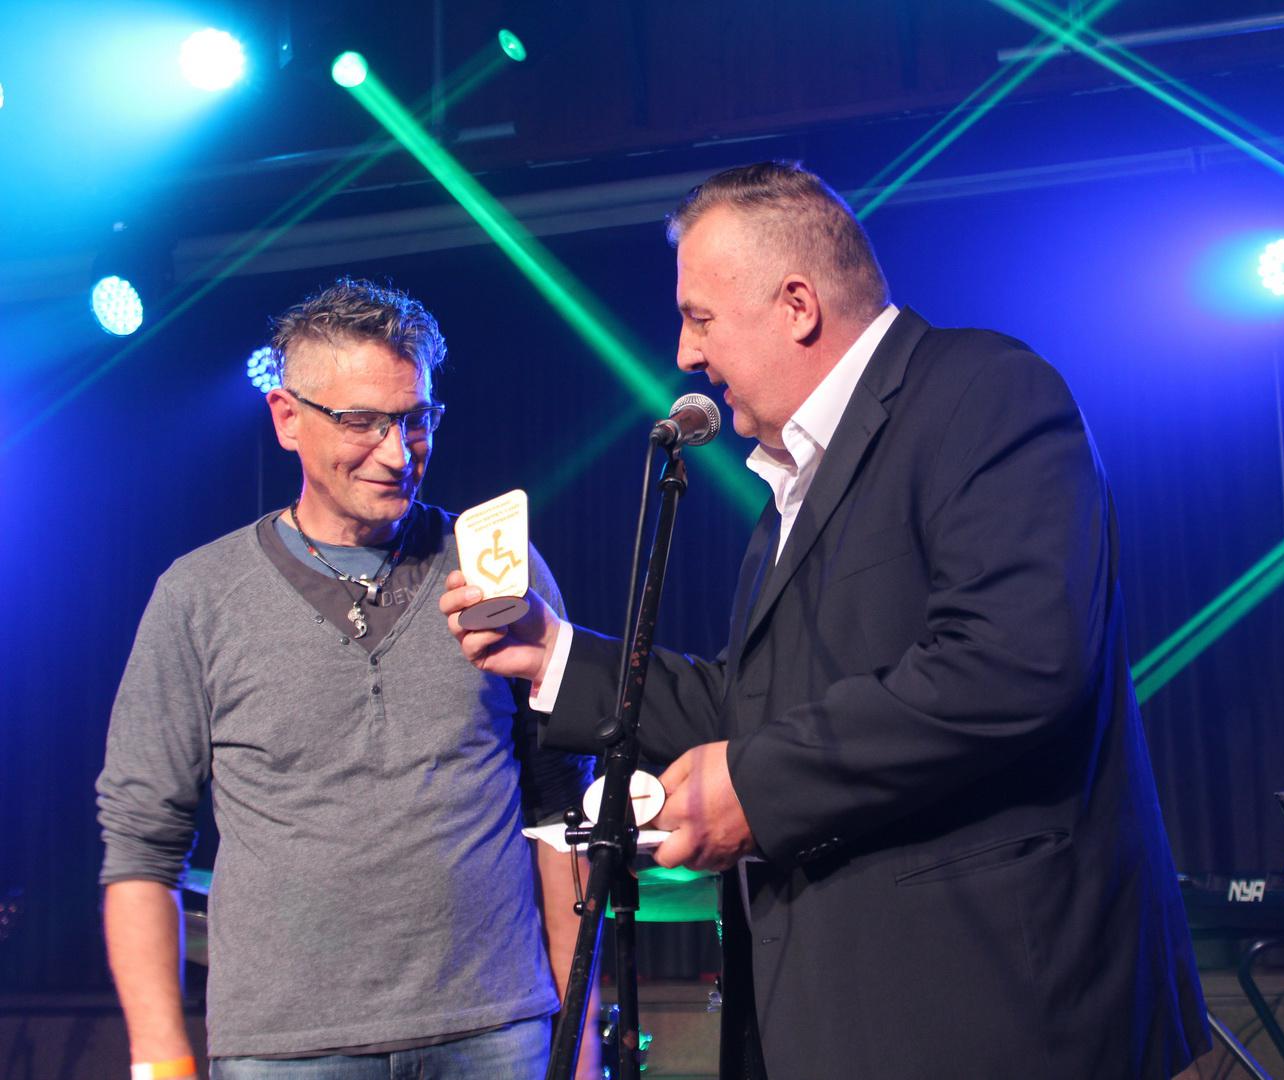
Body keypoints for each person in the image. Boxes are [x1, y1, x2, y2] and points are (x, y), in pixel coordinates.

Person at [442, 163, 1209, 1079]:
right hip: (846, 1014)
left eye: (700, 318)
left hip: (997, 1012)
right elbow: (753, 704)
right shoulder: (792, 487)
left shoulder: (983, 392)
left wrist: (753, 787)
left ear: (798, 305)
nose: (685, 353)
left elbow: (1012, 663)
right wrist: (551, 654)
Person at [97, 278, 595, 1079]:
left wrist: (581, 1041)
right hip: (283, 1050)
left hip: (494, 1031)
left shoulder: (498, 569)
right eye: (362, 422)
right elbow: (140, 845)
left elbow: (562, 812)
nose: (398, 453)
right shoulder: (199, 596)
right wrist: (161, 1062)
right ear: (286, 418)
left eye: (416, 419)